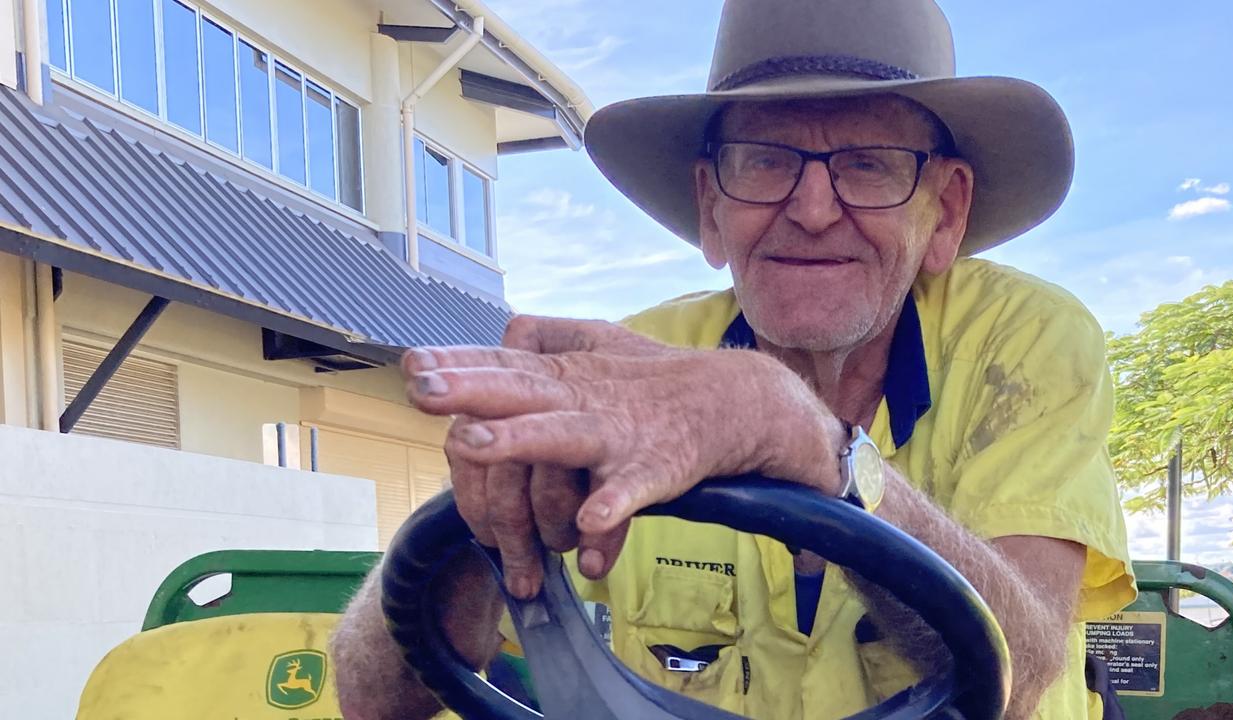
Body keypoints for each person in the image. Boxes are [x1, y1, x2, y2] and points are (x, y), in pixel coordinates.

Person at [330, 0, 1136, 718]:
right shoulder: (635, 369)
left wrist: (816, 447)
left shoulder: (1027, 342)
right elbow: (373, 699)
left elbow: (1021, 676)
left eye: (868, 164)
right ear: (712, 207)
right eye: (764, 161)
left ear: (946, 211)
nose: (813, 211)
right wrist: (485, 523)